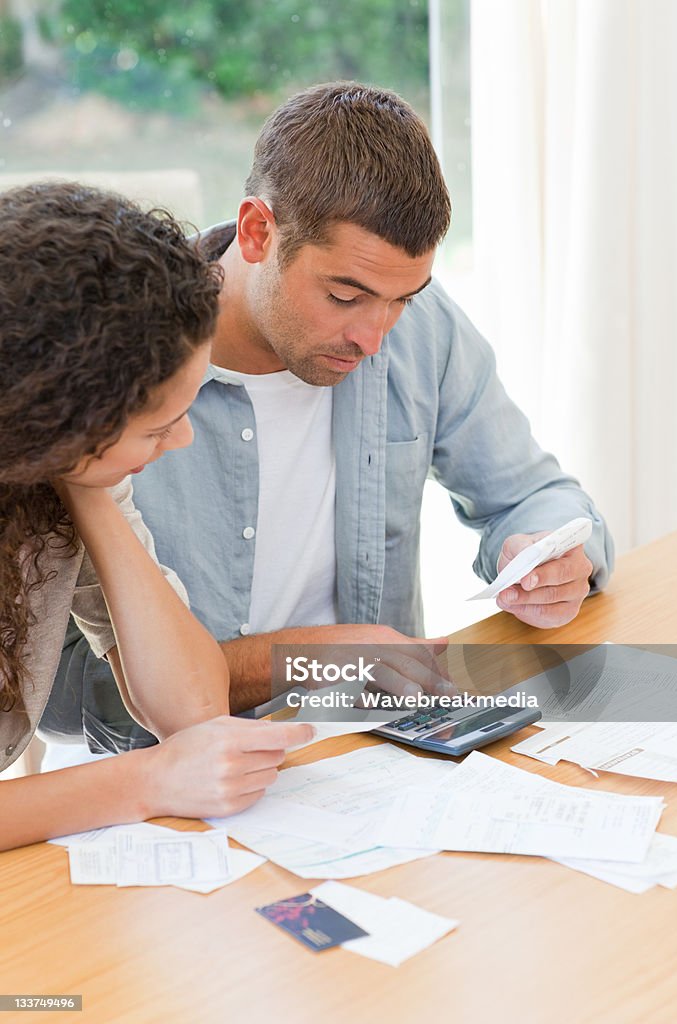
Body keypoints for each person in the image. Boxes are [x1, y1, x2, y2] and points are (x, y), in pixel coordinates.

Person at [49, 82, 613, 751]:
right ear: (258, 231)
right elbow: (66, 688)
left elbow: (532, 494)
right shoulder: (114, 360)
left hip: (384, 748)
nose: (375, 337)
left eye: (401, 298)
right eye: (345, 295)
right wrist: (309, 657)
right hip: (174, 773)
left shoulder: (417, 329)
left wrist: (548, 553)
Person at [0, 182, 312, 850]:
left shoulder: (66, 466)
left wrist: (87, 493)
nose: (183, 441)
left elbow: (193, 711)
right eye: (158, 427)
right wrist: (149, 781)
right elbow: (173, 757)